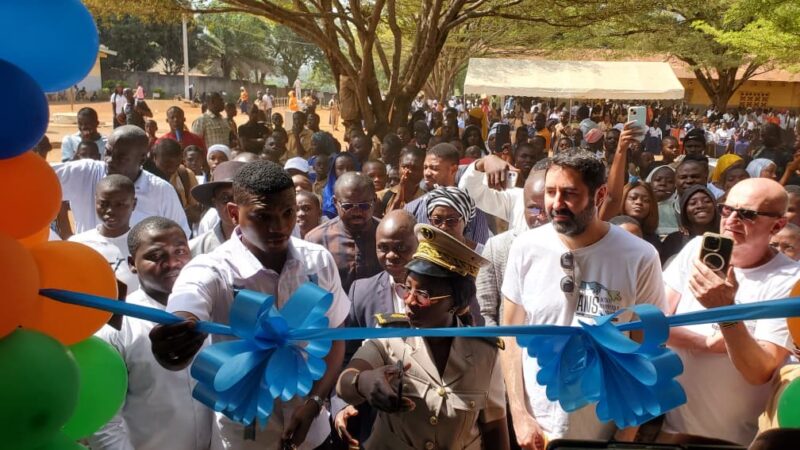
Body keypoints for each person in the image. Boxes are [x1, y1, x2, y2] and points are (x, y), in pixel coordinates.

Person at [155, 161, 351, 450]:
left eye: (288, 213)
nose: (280, 227)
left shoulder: (318, 262)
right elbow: (188, 299)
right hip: (244, 437)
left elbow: (335, 339)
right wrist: (178, 329)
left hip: (312, 433)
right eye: (263, 217)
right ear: (234, 213)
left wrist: (314, 403)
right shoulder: (212, 269)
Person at [501, 148, 667, 446]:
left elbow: (648, 347)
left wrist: (626, 432)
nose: (556, 204)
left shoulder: (640, 257)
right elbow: (510, 336)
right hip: (537, 430)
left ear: (600, 194)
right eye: (551, 192)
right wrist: (519, 415)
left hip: (604, 429)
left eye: (569, 193)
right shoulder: (525, 248)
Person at [336, 224, 509, 450]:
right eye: (406, 289)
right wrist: (364, 382)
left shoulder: (484, 353)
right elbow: (345, 382)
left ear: (456, 303)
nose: (409, 301)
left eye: (423, 295)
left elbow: (495, 429)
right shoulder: (391, 336)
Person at [659, 178, 800, 446]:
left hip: (737, 439)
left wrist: (725, 312)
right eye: (727, 209)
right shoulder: (695, 250)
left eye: (747, 214)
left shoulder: (792, 279)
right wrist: (704, 343)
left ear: (778, 225)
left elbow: (760, 370)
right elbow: (655, 325)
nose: (732, 219)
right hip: (674, 428)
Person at [88, 217, 217, 450]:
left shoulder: (212, 312)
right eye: (156, 256)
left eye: (180, 251)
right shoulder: (116, 328)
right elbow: (104, 420)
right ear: (132, 264)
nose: (172, 263)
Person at [55, 125, 189, 238]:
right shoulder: (85, 173)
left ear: (142, 159)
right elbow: (39, 178)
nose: (109, 161)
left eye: (121, 157)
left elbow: (180, 237)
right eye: (108, 152)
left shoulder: (161, 192)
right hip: (88, 266)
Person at [477, 168, 548, 326]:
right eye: (534, 208)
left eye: (548, 209)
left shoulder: (572, 248)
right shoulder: (498, 247)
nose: (542, 216)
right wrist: (502, 349)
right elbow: (485, 313)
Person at [305, 172, 381, 292]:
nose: (357, 212)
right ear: (335, 202)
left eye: (364, 206)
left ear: (375, 200)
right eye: (348, 206)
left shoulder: (386, 235)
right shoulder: (316, 240)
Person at [68, 174, 139, 293]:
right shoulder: (77, 244)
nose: (110, 210)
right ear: (95, 201)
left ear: (134, 204)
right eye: (104, 204)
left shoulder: (144, 245)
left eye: (119, 204)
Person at [188, 161, 245, 257]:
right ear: (215, 203)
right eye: (225, 198)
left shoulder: (270, 244)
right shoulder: (195, 250)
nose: (233, 204)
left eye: (240, 197)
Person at [660, 185, 720, 265]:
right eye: (693, 203)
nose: (700, 206)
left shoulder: (727, 238)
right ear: (684, 211)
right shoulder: (674, 241)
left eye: (707, 201)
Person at [375, 147, 426, 218]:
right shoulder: (381, 197)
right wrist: (399, 198)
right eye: (405, 167)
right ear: (399, 166)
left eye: (414, 168)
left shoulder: (426, 200)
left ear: (423, 170)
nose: (408, 172)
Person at [620, 181, 661, 250]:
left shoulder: (653, 242)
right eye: (633, 198)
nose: (639, 202)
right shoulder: (609, 231)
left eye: (645, 200)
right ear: (623, 200)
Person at [322, 152, 358, 218]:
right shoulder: (328, 190)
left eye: (351, 168)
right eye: (340, 168)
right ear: (334, 170)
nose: (346, 172)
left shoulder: (363, 189)